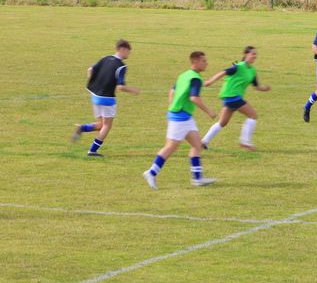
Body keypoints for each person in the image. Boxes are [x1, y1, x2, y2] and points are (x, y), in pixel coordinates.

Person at [143, 51, 219, 189]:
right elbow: (194, 98)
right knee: (171, 146)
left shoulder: (183, 75)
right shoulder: (195, 78)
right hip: (180, 118)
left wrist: (171, 107)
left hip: (184, 117)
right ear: (195, 62)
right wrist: (210, 112)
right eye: (204, 61)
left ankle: (197, 179)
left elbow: (172, 91)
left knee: (197, 145)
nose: (206, 63)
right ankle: (151, 172)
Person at [71, 39, 140, 156]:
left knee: (101, 124)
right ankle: (93, 151)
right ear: (122, 49)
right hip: (107, 98)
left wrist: (95, 82)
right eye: (128, 51)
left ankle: (82, 128)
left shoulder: (105, 58)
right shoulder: (121, 66)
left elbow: (90, 70)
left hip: (94, 95)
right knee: (107, 125)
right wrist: (133, 90)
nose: (129, 54)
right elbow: (120, 87)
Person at [201, 46, 271, 151]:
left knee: (222, 122)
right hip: (232, 96)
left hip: (231, 98)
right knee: (252, 115)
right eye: (253, 54)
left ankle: (204, 142)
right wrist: (210, 81)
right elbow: (223, 72)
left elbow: (256, 86)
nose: (255, 56)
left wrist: (265, 88)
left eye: (256, 54)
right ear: (245, 55)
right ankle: (245, 142)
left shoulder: (252, 70)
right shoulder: (239, 66)